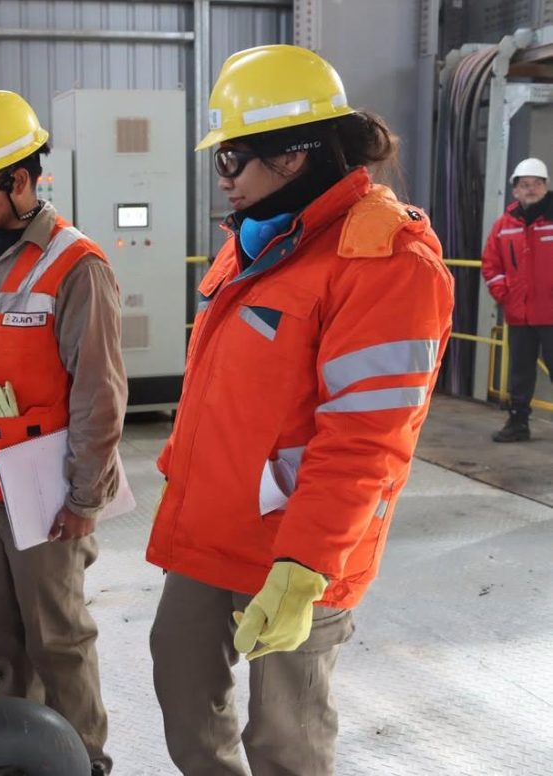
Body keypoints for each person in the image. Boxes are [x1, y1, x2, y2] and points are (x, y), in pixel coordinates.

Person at [145, 45, 454, 775]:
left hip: (301, 545)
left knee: (285, 735)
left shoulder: (385, 262)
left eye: (232, 159)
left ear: (292, 155)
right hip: (214, 525)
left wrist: (304, 564)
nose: (223, 178)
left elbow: (367, 441)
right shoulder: (255, 239)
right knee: (181, 682)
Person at [0, 88, 127, 776]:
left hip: (42, 492)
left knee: (57, 640)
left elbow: (100, 395)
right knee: (5, 639)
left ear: (21, 179)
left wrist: (84, 497)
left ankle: (84, 760)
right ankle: (21, 751)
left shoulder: (77, 265)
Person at [481, 157, 553, 442]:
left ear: (545, 187)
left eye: (536, 184)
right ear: (515, 190)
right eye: (525, 184)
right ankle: (518, 423)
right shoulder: (504, 225)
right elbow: (491, 264)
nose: (530, 189)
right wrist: (505, 296)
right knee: (520, 373)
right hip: (519, 314)